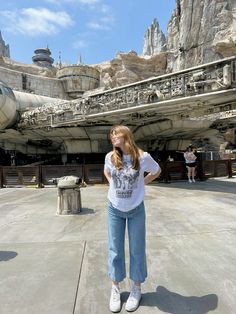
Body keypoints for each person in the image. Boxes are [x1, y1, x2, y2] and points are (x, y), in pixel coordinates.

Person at [104, 125, 161, 312]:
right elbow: (107, 171)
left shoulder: (143, 157)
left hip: (136, 208)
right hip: (114, 208)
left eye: (116, 133)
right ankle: (115, 288)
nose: (113, 137)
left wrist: (142, 183)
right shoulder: (110, 157)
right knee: (115, 249)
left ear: (127, 135)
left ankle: (136, 288)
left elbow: (157, 170)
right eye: (111, 134)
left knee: (137, 248)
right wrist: (112, 183)